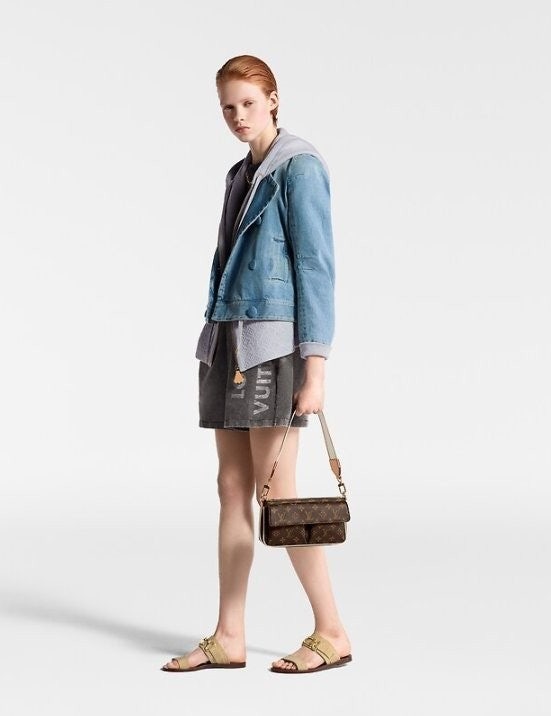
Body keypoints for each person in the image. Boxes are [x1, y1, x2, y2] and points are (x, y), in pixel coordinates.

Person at [161, 54, 351, 674]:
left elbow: (316, 269)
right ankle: (229, 635)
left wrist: (315, 368)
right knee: (231, 487)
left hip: (272, 349)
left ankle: (331, 631)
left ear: (273, 99)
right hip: (226, 343)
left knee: (279, 495)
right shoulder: (237, 174)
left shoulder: (300, 167)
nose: (238, 116)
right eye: (227, 107)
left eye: (247, 102)